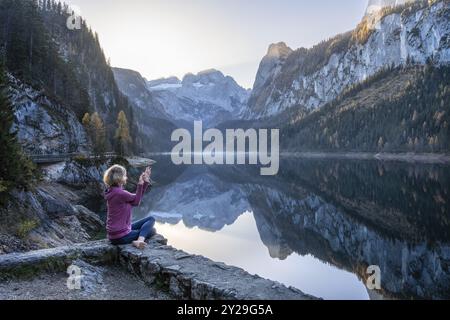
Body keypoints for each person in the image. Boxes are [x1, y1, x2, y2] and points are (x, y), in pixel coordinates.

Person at [103, 165, 155, 249]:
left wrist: (144, 182)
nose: (126, 177)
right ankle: (139, 241)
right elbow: (137, 201)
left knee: (149, 220)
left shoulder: (111, 191)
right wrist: (140, 184)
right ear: (120, 177)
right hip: (120, 236)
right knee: (151, 230)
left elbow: (135, 200)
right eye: (124, 175)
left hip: (115, 234)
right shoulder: (120, 193)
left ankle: (138, 239)